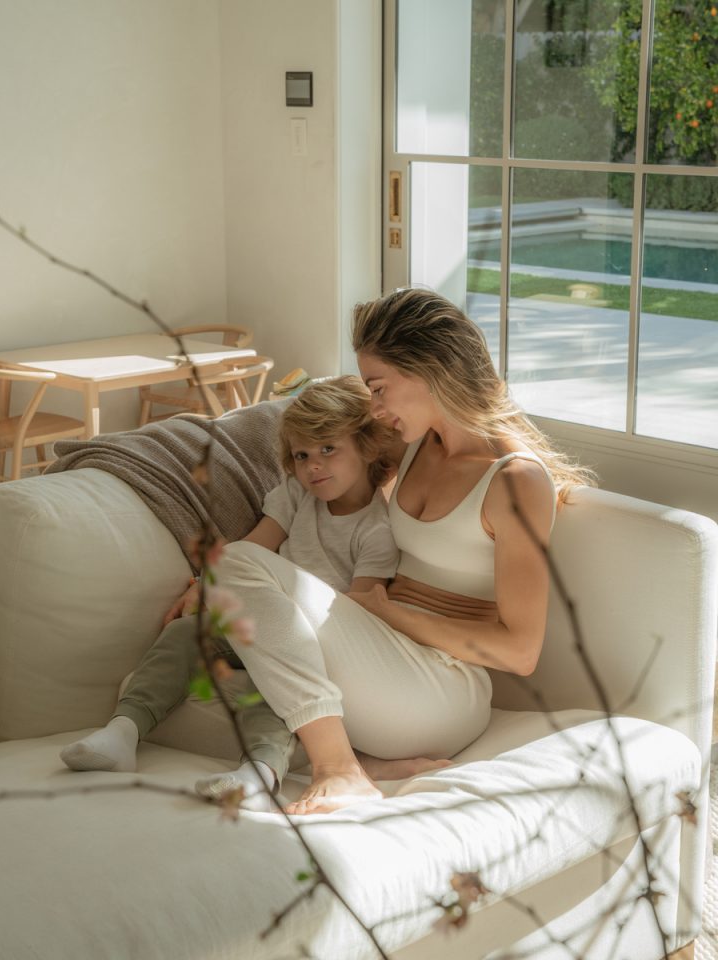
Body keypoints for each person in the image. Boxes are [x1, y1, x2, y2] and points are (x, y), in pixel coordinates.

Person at [210, 287, 596, 815]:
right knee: (209, 668)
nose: (375, 407)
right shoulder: (413, 445)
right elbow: (324, 454)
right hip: (383, 657)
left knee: (235, 565)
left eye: (379, 387)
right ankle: (364, 762)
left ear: (430, 371)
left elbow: (519, 652)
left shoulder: (516, 480)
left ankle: (339, 769)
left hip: (443, 689)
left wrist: (389, 612)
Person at [60, 376, 415, 807]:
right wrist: (206, 584)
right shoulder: (297, 494)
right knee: (184, 634)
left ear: (366, 447)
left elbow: (360, 611)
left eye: (328, 449)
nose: (313, 466)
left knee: (276, 687)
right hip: (259, 620)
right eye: (302, 455)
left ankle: (260, 774)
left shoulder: (377, 530)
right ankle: (122, 732)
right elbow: (251, 547)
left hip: (315, 645)